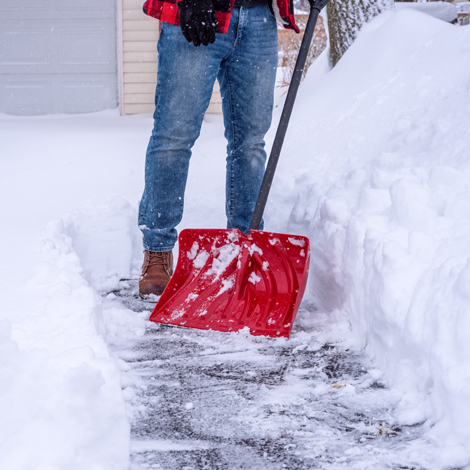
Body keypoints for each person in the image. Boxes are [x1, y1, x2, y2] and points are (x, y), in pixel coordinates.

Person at [138, 0, 299, 297]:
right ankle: (157, 249)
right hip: (198, 10)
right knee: (174, 137)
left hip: (258, 19)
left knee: (250, 143)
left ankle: (244, 246)